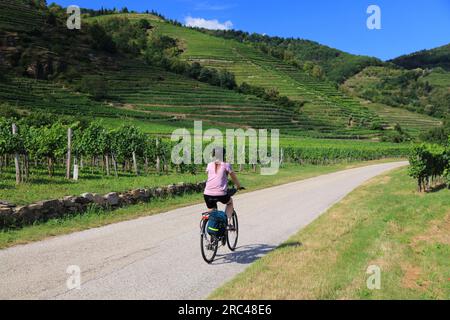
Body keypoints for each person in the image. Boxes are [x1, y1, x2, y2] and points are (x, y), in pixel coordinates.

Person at [203, 147, 242, 229]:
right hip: (221, 193)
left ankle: (212, 235)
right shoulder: (226, 165)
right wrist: (239, 186)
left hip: (207, 193)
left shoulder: (209, 165)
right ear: (224, 155)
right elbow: (234, 178)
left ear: (213, 155)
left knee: (212, 211)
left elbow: (209, 175)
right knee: (230, 202)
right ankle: (228, 222)